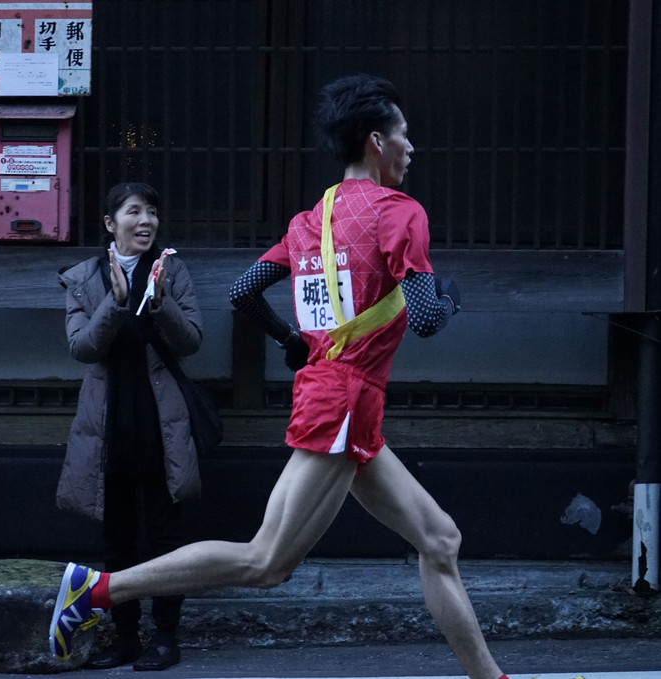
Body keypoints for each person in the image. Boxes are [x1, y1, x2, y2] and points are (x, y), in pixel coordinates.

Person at [49, 75, 510, 679]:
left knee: (440, 541)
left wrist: (293, 342)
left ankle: (491, 678)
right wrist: (450, 300)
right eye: (405, 136)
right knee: (265, 562)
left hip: (341, 401)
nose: (411, 148)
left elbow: (244, 293)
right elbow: (423, 318)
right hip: (344, 404)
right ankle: (97, 591)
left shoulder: (308, 220)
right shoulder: (400, 214)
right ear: (376, 141)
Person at [55, 182, 203, 671]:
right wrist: (115, 304)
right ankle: (124, 637)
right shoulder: (84, 277)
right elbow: (82, 348)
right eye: (134, 212)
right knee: (117, 539)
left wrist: (160, 301)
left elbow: (192, 342)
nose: (146, 221)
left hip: (162, 423)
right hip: (109, 424)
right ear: (109, 223)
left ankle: (165, 636)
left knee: (165, 538)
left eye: (152, 212)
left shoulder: (173, 270)